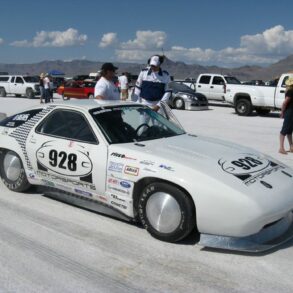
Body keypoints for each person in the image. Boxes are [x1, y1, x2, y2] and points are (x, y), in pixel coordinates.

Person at [279, 77, 293, 154]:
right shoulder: (290, 91)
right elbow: (285, 102)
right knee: (284, 130)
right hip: (290, 112)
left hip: (291, 112)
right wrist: (282, 112)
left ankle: (291, 147)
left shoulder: (290, 90)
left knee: (289, 130)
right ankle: (281, 148)